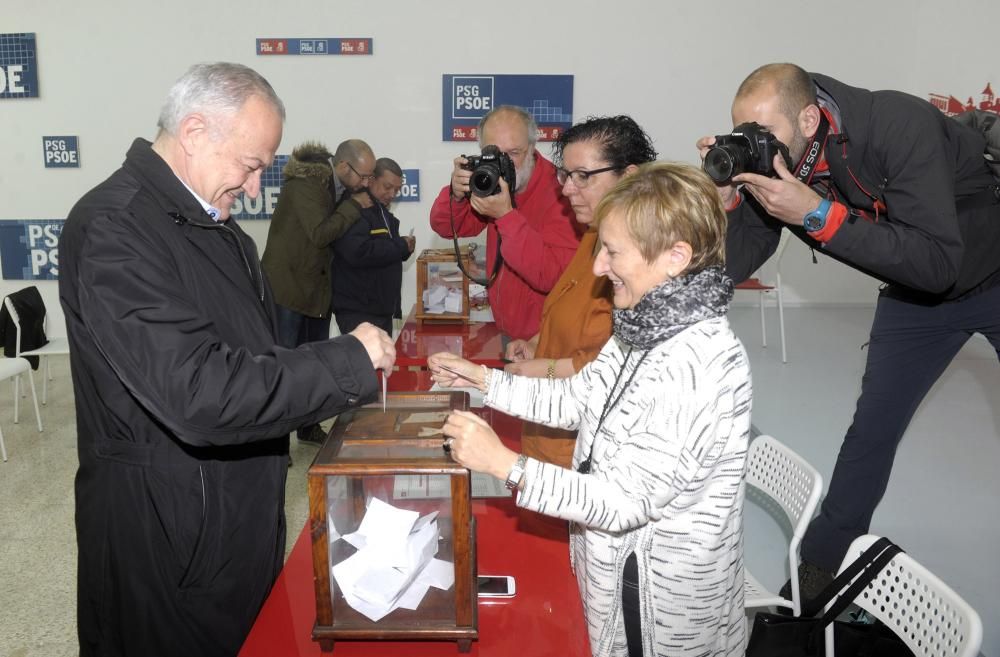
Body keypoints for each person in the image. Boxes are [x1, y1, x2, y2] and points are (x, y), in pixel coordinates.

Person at [59, 62, 395, 657]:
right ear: (193, 132)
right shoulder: (114, 226)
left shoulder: (223, 232)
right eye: (250, 164)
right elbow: (199, 392)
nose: (255, 186)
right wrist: (345, 362)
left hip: (233, 524)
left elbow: (254, 363)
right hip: (166, 541)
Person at [697, 63, 1000, 607]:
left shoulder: (898, 125)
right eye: (745, 135)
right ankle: (811, 589)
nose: (755, 146)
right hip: (919, 298)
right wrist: (719, 211)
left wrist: (816, 213)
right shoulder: (786, 160)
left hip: (985, 270)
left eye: (763, 135)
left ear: (810, 118)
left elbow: (937, 263)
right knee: (869, 436)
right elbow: (738, 260)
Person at [430, 162, 751, 657]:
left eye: (613, 251)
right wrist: (484, 382)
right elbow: (579, 397)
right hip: (611, 578)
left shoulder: (696, 363)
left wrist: (505, 464)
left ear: (675, 257)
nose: (598, 266)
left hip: (657, 616)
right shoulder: (643, 325)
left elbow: (624, 502)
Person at [504, 115, 656, 467]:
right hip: (548, 427)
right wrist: (536, 342)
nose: (567, 189)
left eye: (583, 177)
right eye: (566, 176)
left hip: (585, 452)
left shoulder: (643, 265)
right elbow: (568, 309)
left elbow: (603, 371)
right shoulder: (592, 234)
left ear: (629, 177)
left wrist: (535, 372)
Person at [429, 105, 580, 340]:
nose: (504, 163)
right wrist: (455, 196)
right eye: (496, 153)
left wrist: (506, 216)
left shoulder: (562, 192)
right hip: (507, 330)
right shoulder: (490, 183)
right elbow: (447, 227)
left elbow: (551, 275)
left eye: (514, 153)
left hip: (548, 338)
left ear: (532, 148)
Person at [261, 138, 376, 444]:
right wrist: (352, 207)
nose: (366, 184)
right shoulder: (305, 185)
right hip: (288, 289)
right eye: (362, 177)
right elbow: (319, 234)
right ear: (342, 166)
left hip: (315, 289)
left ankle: (308, 426)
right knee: (285, 367)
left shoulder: (337, 188)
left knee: (316, 364)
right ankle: (276, 443)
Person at [331, 157, 416, 335]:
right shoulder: (356, 207)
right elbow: (357, 251)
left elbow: (382, 248)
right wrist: (399, 246)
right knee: (364, 363)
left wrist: (404, 248)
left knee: (380, 363)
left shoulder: (381, 211)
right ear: (371, 180)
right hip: (359, 311)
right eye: (387, 187)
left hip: (378, 309)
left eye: (397, 190)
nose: (392, 194)